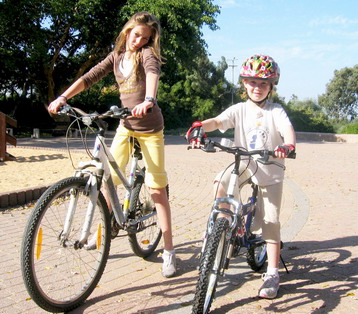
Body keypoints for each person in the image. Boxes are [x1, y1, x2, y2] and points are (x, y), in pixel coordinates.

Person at [48, 11, 176, 278]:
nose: (139, 40)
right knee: (106, 177)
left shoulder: (147, 56)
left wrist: (149, 99)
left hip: (150, 128)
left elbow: (153, 73)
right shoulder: (116, 56)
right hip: (125, 126)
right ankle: (110, 228)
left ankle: (169, 251)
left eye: (145, 37)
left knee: (156, 189)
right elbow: (91, 76)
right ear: (128, 30)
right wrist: (63, 96)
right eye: (136, 34)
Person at [186, 54, 296, 298]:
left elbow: (287, 130)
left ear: (271, 86)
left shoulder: (275, 111)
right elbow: (218, 121)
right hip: (244, 162)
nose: (257, 88)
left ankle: (272, 273)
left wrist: (287, 145)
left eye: (263, 83)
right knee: (221, 182)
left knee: (270, 220)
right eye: (253, 82)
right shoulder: (239, 109)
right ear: (244, 83)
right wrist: (198, 128)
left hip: (270, 167)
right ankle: (221, 225)